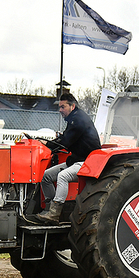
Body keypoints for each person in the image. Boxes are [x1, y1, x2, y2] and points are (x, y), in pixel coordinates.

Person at [36, 93, 101, 224]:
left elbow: (65, 141)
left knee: (62, 176)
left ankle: (54, 214)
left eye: (63, 107)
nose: (60, 110)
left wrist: (48, 144)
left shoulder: (78, 119)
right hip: (77, 160)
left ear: (72, 106)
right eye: (59, 107)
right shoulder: (74, 119)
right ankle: (48, 207)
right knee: (45, 176)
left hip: (87, 162)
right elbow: (65, 139)